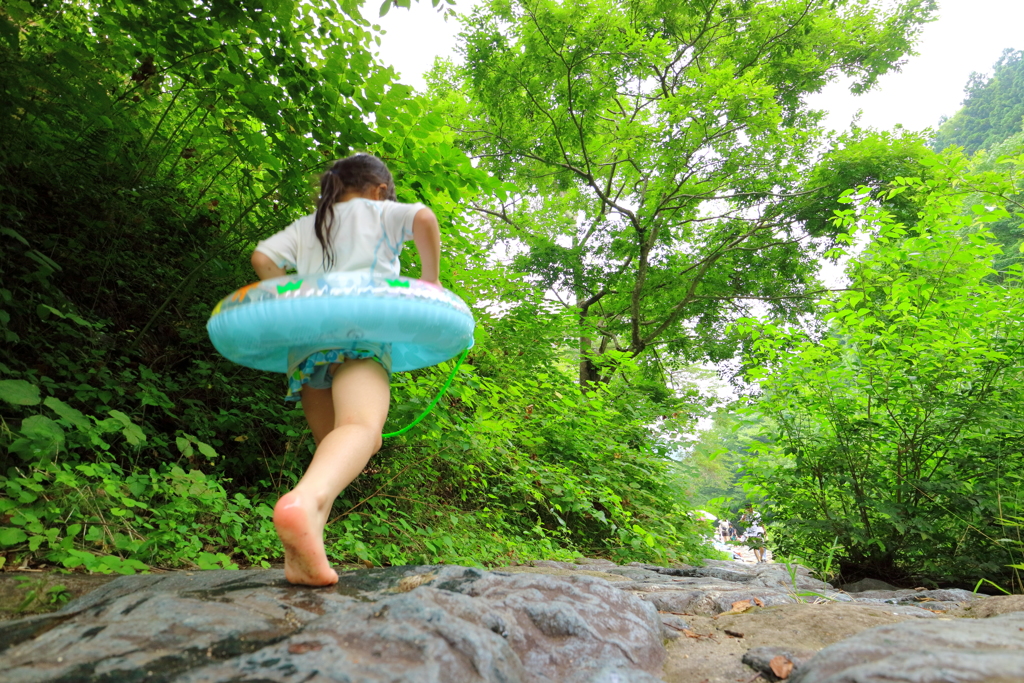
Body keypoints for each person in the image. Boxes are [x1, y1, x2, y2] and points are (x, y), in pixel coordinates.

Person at [250, 153, 442, 586]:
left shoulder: (310, 224)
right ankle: (302, 501)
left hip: (308, 342)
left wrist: (289, 298)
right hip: (361, 331)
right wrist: (430, 280)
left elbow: (262, 258)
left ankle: (303, 555)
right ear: (379, 191)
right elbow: (425, 219)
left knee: (332, 449)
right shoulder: (378, 209)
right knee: (362, 430)